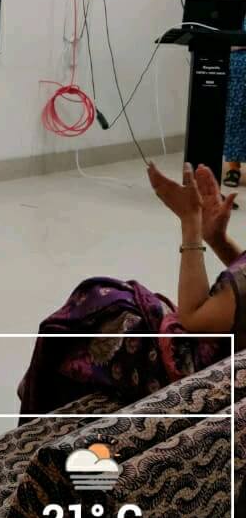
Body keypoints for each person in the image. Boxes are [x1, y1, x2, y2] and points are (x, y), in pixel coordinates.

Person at [18, 162, 246, 416]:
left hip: (200, 376)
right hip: (226, 356)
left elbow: (193, 317)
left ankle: (43, 409)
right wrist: (217, 239)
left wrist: (190, 223)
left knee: (95, 305)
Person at [222, 0, 246, 187]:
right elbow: (226, 38)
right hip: (237, 74)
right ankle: (233, 169)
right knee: (234, 118)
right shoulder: (235, 11)